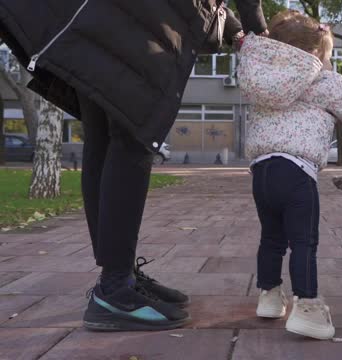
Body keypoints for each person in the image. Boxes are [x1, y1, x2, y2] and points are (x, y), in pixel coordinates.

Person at [0, 0, 267, 331]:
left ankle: (118, 275)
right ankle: (115, 289)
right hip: (142, 20)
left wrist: (234, 28)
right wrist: (258, 28)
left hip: (109, 15)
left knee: (103, 134)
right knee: (133, 132)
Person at [237, 10, 342, 339]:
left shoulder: (262, 76)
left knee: (271, 238)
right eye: (327, 56)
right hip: (297, 173)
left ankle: (269, 297)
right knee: (303, 242)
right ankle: (308, 309)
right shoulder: (321, 80)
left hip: (262, 172)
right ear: (315, 54)